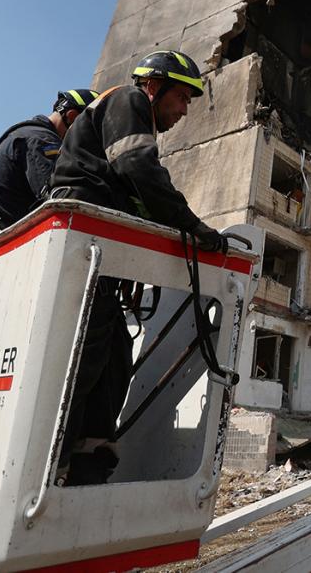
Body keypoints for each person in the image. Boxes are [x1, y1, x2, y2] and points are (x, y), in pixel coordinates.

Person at [49, 50, 227, 484]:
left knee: (113, 353)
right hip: (84, 246)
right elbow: (137, 168)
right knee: (85, 353)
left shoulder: (130, 119)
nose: (184, 110)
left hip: (100, 253)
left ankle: (89, 454)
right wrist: (192, 226)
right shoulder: (129, 100)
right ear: (155, 86)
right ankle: (53, 454)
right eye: (182, 97)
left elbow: (134, 185)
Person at [0, 89, 98, 242]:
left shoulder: (28, 134)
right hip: (10, 240)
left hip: (0, 236)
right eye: (88, 130)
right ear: (72, 116)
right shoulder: (42, 140)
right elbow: (59, 196)